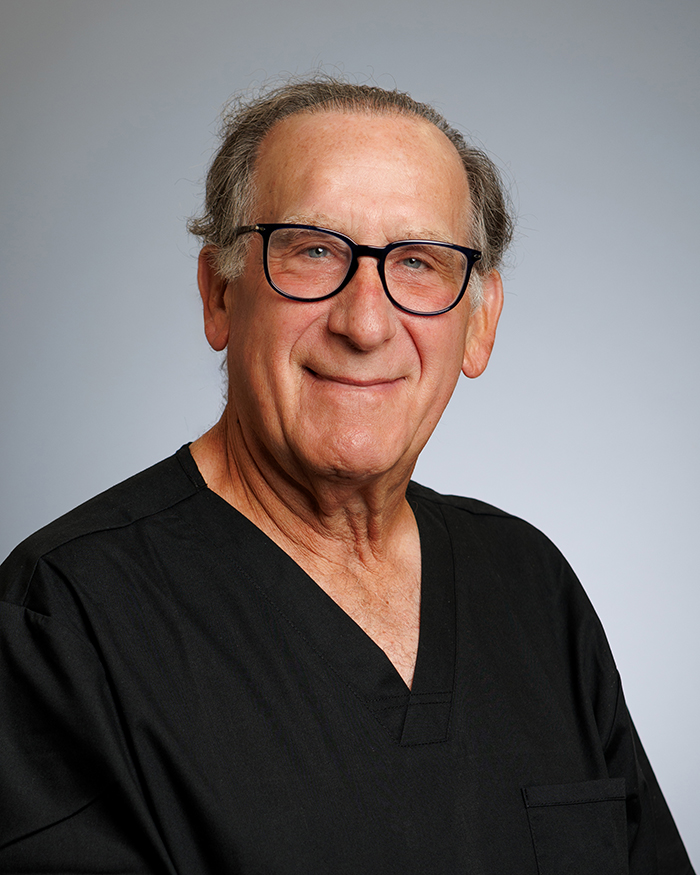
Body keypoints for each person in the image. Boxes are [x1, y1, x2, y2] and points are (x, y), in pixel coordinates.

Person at [0, 76, 694, 874]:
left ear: (481, 322)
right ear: (219, 293)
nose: (365, 322)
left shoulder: (532, 586)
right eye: (314, 249)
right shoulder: (63, 617)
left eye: (420, 262)